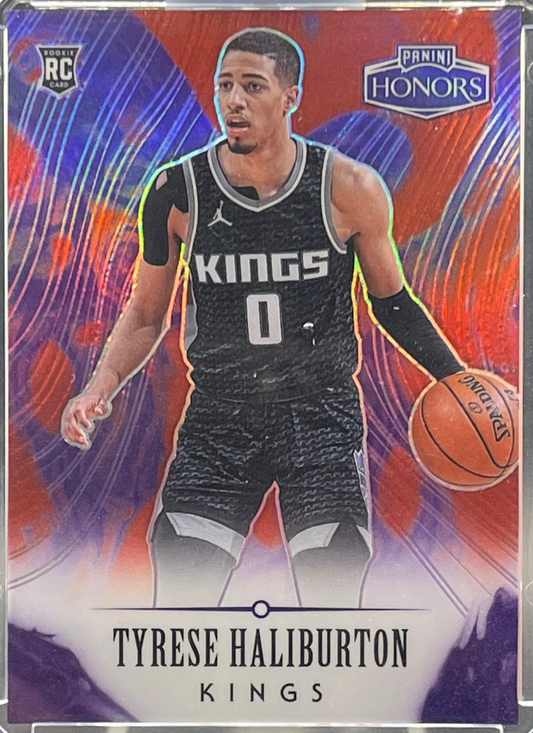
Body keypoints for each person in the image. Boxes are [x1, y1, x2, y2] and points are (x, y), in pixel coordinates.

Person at [62, 28, 464, 608]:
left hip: (319, 413)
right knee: (180, 604)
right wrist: (98, 388)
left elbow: (392, 303)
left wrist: (459, 380)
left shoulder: (349, 187)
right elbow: (147, 313)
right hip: (220, 416)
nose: (234, 100)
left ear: (290, 97)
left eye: (253, 86)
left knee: (332, 606)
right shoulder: (177, 191)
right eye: (225, 85)